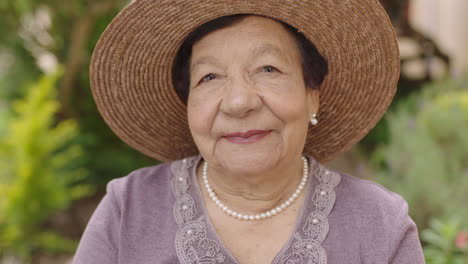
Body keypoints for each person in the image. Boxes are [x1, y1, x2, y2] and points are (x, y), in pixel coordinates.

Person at [73, 0, 426, 263]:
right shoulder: (128, 210)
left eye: (268, 68)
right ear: (188, 104)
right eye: (209, 77)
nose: (239, 102)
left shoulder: (380, 225)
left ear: (312, 96)